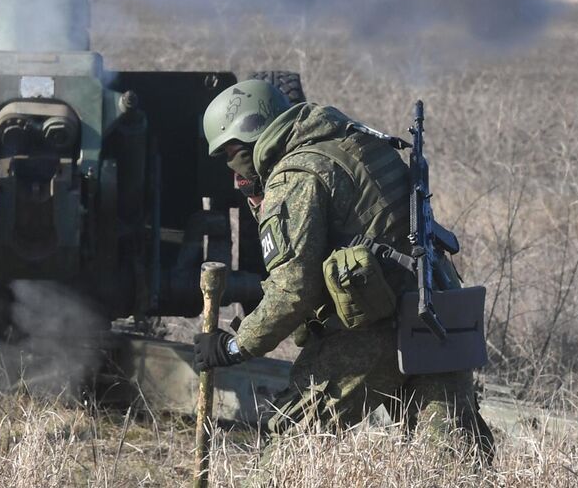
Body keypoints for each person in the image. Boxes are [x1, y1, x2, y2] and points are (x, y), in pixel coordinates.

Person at [192, 79, 493, 460]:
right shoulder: (350, 138)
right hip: (437, 309)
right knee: (452, 463)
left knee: (287, 456)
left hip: (372, 331)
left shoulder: (294, 178)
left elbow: (291, 292)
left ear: (253, 136)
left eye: (231, 153)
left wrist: (233, 346)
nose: (232, 170)